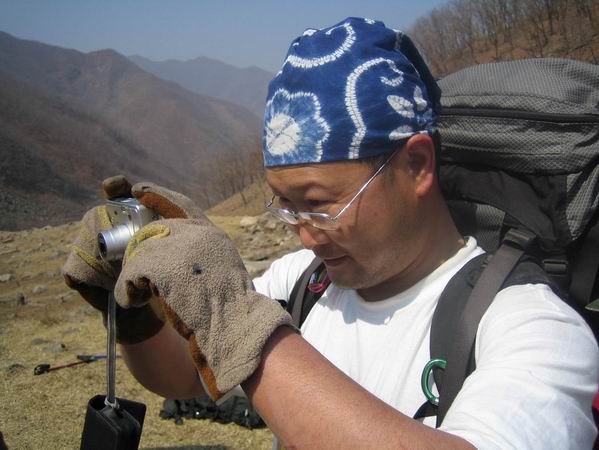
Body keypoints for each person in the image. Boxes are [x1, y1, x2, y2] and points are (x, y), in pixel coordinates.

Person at [63, 17, 599, 449]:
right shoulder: (304, 283)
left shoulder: (529, 323)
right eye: (287, 207)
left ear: (416, 165)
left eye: (319, 205)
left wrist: (238, 322)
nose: (305, 236)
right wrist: (131, 314)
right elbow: (184, 376)